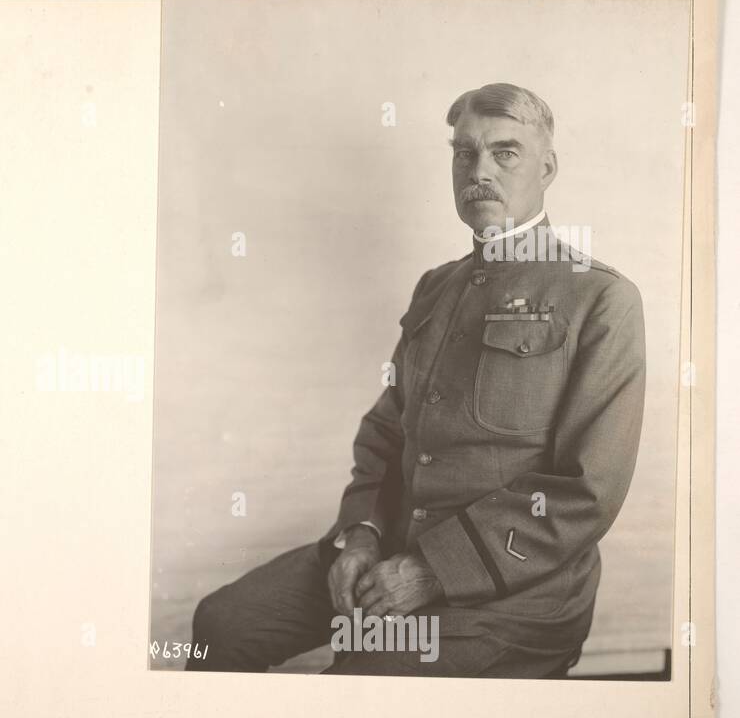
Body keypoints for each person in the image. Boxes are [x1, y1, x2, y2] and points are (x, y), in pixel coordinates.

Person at [187, 83, 646, 677]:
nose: (479, 170)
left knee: (358, 682)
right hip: (391, 543)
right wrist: (361, 536)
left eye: (505, 152)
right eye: (464, 153)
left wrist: (433, 569)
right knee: (221, 626)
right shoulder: (438, 287)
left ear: (548, 167)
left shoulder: (601, 298)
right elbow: (387, 433)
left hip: (512, 594)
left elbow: (588, 490)